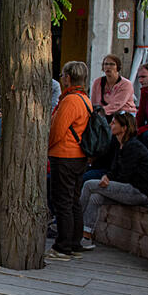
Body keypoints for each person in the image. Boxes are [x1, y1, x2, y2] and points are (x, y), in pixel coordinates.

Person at [80, 113, 148, 250]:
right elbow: (114, 169)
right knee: (96, 197)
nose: (110, 125)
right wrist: (107, 176)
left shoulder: (134, 147)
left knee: (89, 184)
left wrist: (107, 180)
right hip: (126, 187)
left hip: (140, 191)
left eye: (114, 123)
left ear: (124, 128)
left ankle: (73, 227)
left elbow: (124, 176)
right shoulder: (120, 144)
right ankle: (86, 237)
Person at [46, 61, 92, 262]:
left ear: (68, 77)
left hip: (65, 155)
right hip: (78, 156)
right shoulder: (84, 99)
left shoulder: (70, 100)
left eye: (63, 75)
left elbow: (57, 130)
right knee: (73, 200)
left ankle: (63, 246)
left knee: (62, 201)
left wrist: (46, 146)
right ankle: (74, 242)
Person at [90, 54, 136, 119]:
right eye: (106, 64)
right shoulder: (97, 82)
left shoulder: (126, 84)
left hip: (124, 114)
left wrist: (100, 112)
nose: (108, 67)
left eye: (112, 64)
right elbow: (93, 102)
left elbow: (117, 104)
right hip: (102, 114)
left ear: (118, 67)